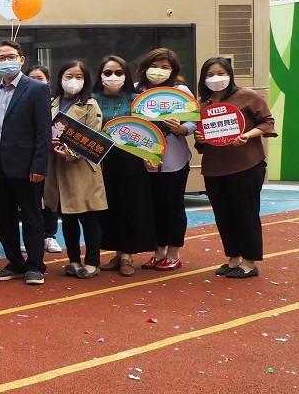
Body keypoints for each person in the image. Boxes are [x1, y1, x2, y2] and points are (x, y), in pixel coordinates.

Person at [194, 56, 276, 278]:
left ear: (230, 75)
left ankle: (250, 262)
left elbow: (267, 122)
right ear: (203, 79)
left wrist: (248, 135)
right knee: (223, 215)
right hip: (214, 168)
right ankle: (233, 259)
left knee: (245, 213)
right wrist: (200, 138)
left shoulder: (247, 95)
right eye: (210, 75)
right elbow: (201, 141)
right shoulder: (203, 106)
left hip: (246, 165)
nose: (216, 78)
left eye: (221, 73)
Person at [0, 41, 52, 285]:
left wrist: (39, 165)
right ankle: (15, 262)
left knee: (31, 216)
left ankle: (35, 265)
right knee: (3, 216)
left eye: (11, 56)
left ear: (21, 59)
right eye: (1, 58)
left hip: (27, 165)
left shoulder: (37, 89)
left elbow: (43, 132)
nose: (6, 61)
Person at [133, 48, 197, 271]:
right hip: (144, 159)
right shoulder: (136, 90)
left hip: (174, 160)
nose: (158, 71)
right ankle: (158, 252)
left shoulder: (180, 91)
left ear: (173, 71)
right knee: (152, 208)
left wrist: (181, 128)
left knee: (172, 207)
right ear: (145, 67)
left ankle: (173, 253)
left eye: (165, 67)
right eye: (154, 66)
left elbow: (193, 121)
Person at [94, 55, 156, 277]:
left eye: (118, 73)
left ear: (126, 75)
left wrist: (150, 155)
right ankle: (117, 253)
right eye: (108, 72)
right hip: (101, 162)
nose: (113, 77)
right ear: (100, 75)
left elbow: (149, 132)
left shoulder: (137, 99)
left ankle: (128, 255)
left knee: (131, 208)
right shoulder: (91, 100)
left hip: (131, 161)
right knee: (108, 209)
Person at [44, 61, 107, 279]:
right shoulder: (51, 102)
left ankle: (92, 262)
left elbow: (93, 140)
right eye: (68, 76)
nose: (73, 81)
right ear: (60, 78)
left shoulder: (91, 105)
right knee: (67, 217)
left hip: (82, 169)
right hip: (56, 167)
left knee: (88, 217)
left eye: (79, 77)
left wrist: (70, 153)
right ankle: (73, 260)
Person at [25, 64, 63, 256]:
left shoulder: (56, 103)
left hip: (53, 157)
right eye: (31, 78)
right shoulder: (21, 102)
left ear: (48, 80)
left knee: (50, 197)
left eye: (40, 78)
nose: (36, 82)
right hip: (29, 157)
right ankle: (33, 237)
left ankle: (50, 235)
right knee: (31, 200)